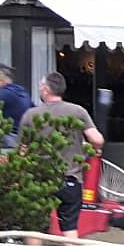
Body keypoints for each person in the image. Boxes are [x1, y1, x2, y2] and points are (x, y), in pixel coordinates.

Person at [17, 72, 103, 233]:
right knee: (70, 228)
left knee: (35, 228)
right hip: (70, 179)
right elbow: (97, 139)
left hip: (39, 180)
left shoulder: (31, 115)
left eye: (41, 87)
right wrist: (91, 149)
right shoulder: (78, 111)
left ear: (46, 90)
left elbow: (22, 151)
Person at [0, 64, 32, 149]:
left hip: (12, 138)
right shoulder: (22, 91)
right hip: (26, 137)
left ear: (1, 79)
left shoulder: (4, 93)